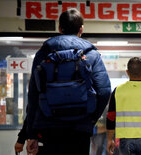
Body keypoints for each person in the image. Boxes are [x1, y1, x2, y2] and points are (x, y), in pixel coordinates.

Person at [26, 8, 111, 155]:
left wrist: (31, 133)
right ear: (81, 29)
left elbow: (33, 94)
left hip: (49, 126)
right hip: (80, 128)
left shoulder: (45, 52)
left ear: (59, 28)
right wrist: (90, 117)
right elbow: (104, 92)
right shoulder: (91, 54)